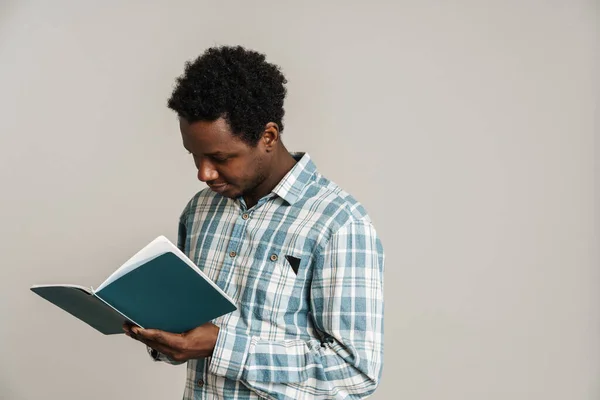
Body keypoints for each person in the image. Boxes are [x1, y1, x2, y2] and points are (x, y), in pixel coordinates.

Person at [123, 45, 385, 399]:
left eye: (219, 157)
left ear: (268, 137)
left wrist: (222, 346)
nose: (203, 173)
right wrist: (160, 334)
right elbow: (190, 331)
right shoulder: (200, 210)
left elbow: (354, 374)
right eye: (194, 156)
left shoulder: (338, 223)